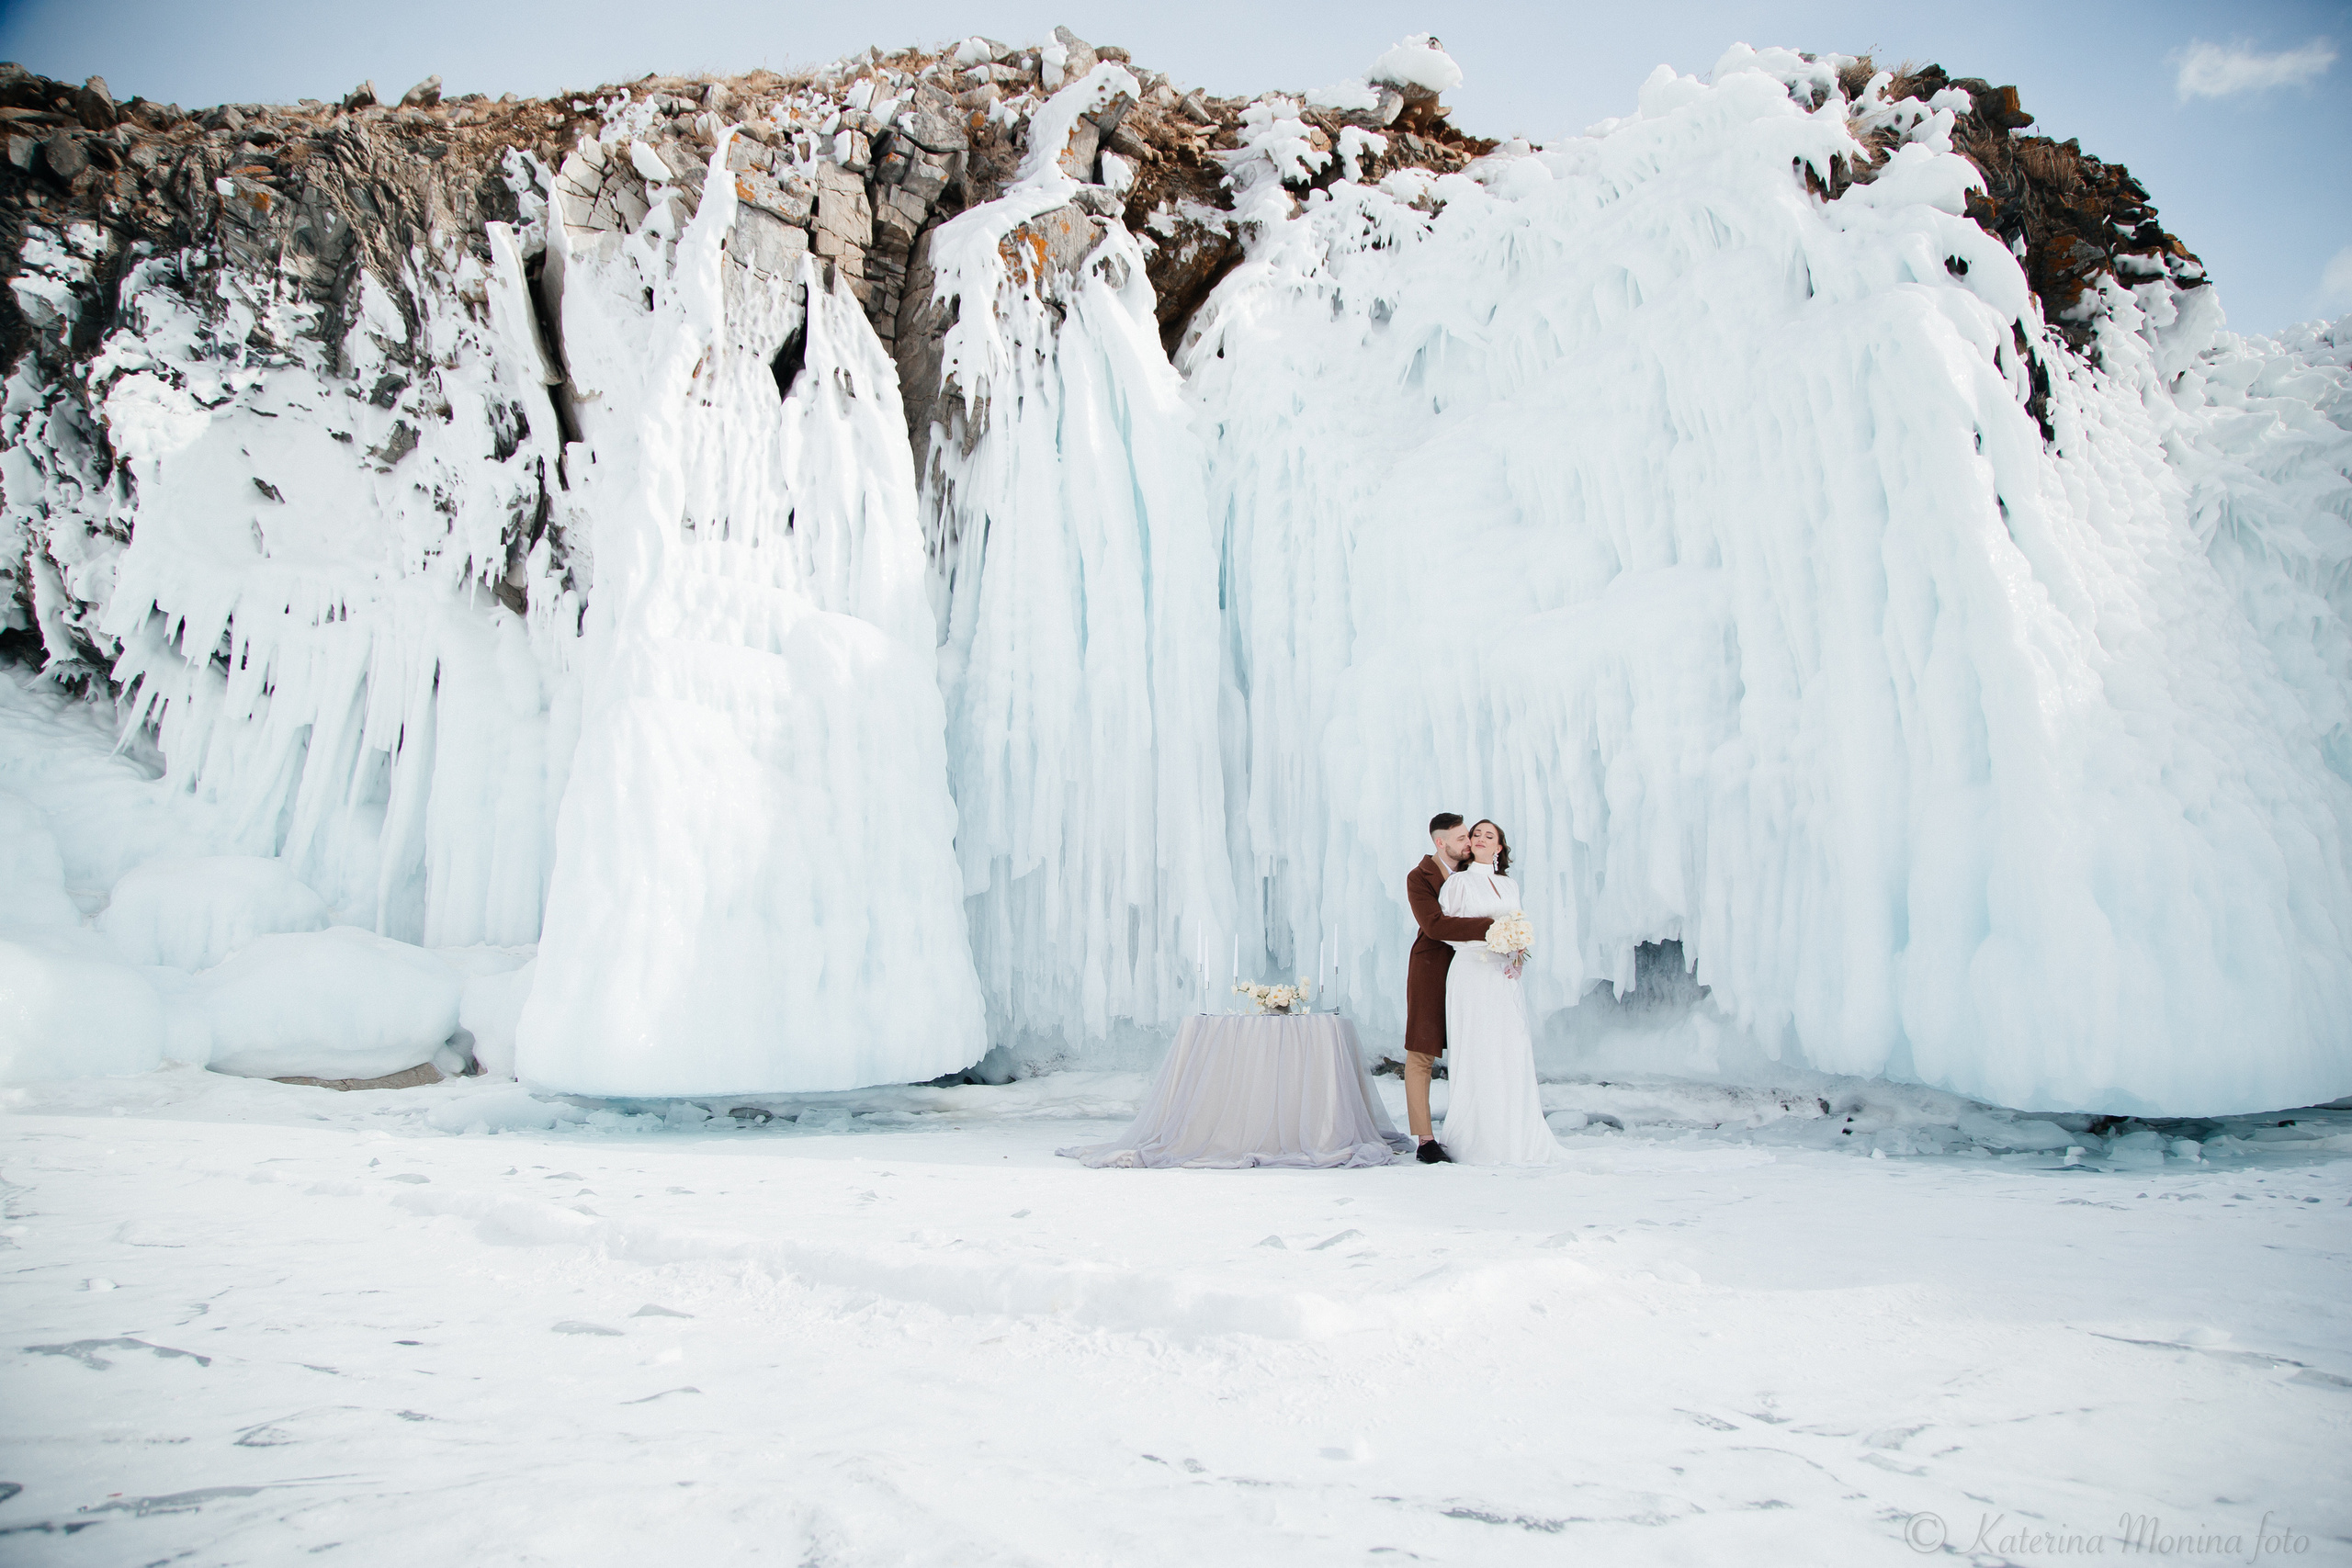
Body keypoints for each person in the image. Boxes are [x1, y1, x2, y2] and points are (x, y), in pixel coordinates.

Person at [1436, 819, 1559, 1165]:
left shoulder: (1509, 885)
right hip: (1472, 971)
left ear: (1499, 847)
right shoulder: (1459, 882)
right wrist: (1489, 935)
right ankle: (1478, 1139)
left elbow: (1518, 923)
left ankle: (1514, 1135)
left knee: (1509, 1047)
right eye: (1475, 834)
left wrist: (1516, 950)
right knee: (1478, 1047)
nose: (1480, 839)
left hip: (1503, 975)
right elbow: (1445, 928)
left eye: (1488, 836)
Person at [1402, 813, 1492, 1164]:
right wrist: (1492, 927)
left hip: (1473, 969)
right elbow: (1434, 925)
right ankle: (1425, 1141)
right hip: (1431, 969)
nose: (1469, 843)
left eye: (1469, 837)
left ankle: (1478, 1129)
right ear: (1441, 843)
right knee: (1421, 1052)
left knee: (1474, 1047)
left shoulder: (1476, 870)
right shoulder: (1419, 877)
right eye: (1461, 839)